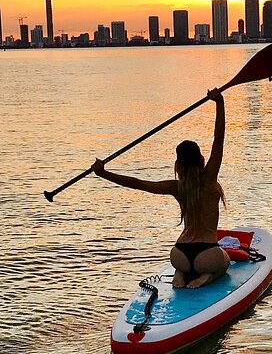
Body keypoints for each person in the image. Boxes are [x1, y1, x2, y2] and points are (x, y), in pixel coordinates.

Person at [91, 88, 230, 289]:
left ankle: (180, 274)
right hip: (207, 254)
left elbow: (138, 184)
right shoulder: (209, 179)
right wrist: (220, 103)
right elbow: (219, 139)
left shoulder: (177, 187)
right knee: (224, 261)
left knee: (185, 266)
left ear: (178, 166)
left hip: (179, 253)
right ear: (201, 160)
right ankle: (206, 277)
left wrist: (104, 173)